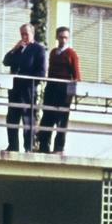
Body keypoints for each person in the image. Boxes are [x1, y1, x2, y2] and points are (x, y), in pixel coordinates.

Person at [1, 23, 46, 153]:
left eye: (26, 34)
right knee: (12, 118)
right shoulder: (19, 48)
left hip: (28, 90)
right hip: (15, 89)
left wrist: (29, 81)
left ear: (32, 33)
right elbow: (6, 62)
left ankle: (28, 148)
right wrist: (15, 48)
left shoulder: (38, 49)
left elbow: (41, 72)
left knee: (27, 119)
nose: (24, 37)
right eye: (22, 34)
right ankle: (13, 146)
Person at [36, 26, 81, 154]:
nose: (63, 40)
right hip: (51, 89)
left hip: (63, 90)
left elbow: (76, 76)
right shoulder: (53, 52)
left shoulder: (71, 54)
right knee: (47, 117)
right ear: (57, 37)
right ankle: (44, 146)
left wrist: (70, 94)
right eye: (61, 37)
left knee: (62, 120)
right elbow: (50, 71)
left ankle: (58, 148)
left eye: (65, 37)